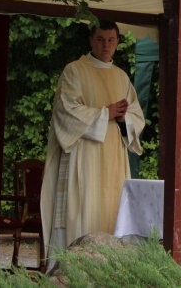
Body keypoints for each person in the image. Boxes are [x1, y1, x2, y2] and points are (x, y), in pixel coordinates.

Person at [40, 20, 145, 268]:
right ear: (91, 41)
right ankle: (73, 269)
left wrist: (124, 118)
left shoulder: (121, 77)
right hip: (83, 158)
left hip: (114, 159)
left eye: (111, 40)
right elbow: (66, 111)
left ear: (118, 42)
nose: (105, 45)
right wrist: (105, 113)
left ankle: (109, 270)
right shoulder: (74, 71)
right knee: (81, 210)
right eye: (100, 39)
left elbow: (137, 116)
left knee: (111, 211)